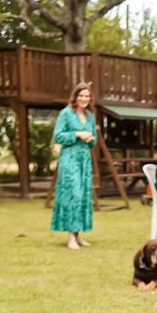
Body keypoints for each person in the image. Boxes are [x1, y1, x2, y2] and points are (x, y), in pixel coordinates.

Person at [51, 83, 97, 250]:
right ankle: (70, 238)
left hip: (85, 160)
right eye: (81, 96)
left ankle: (77, 236)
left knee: (84, 195)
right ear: (75, 96)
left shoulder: (90, 116)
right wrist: (77, 134)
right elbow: (57, 136)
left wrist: (90, 137)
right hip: (69, 159)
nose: (84, 99)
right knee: (74, 195)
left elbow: (95, 140)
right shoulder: (66, 113)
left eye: (87, 96)